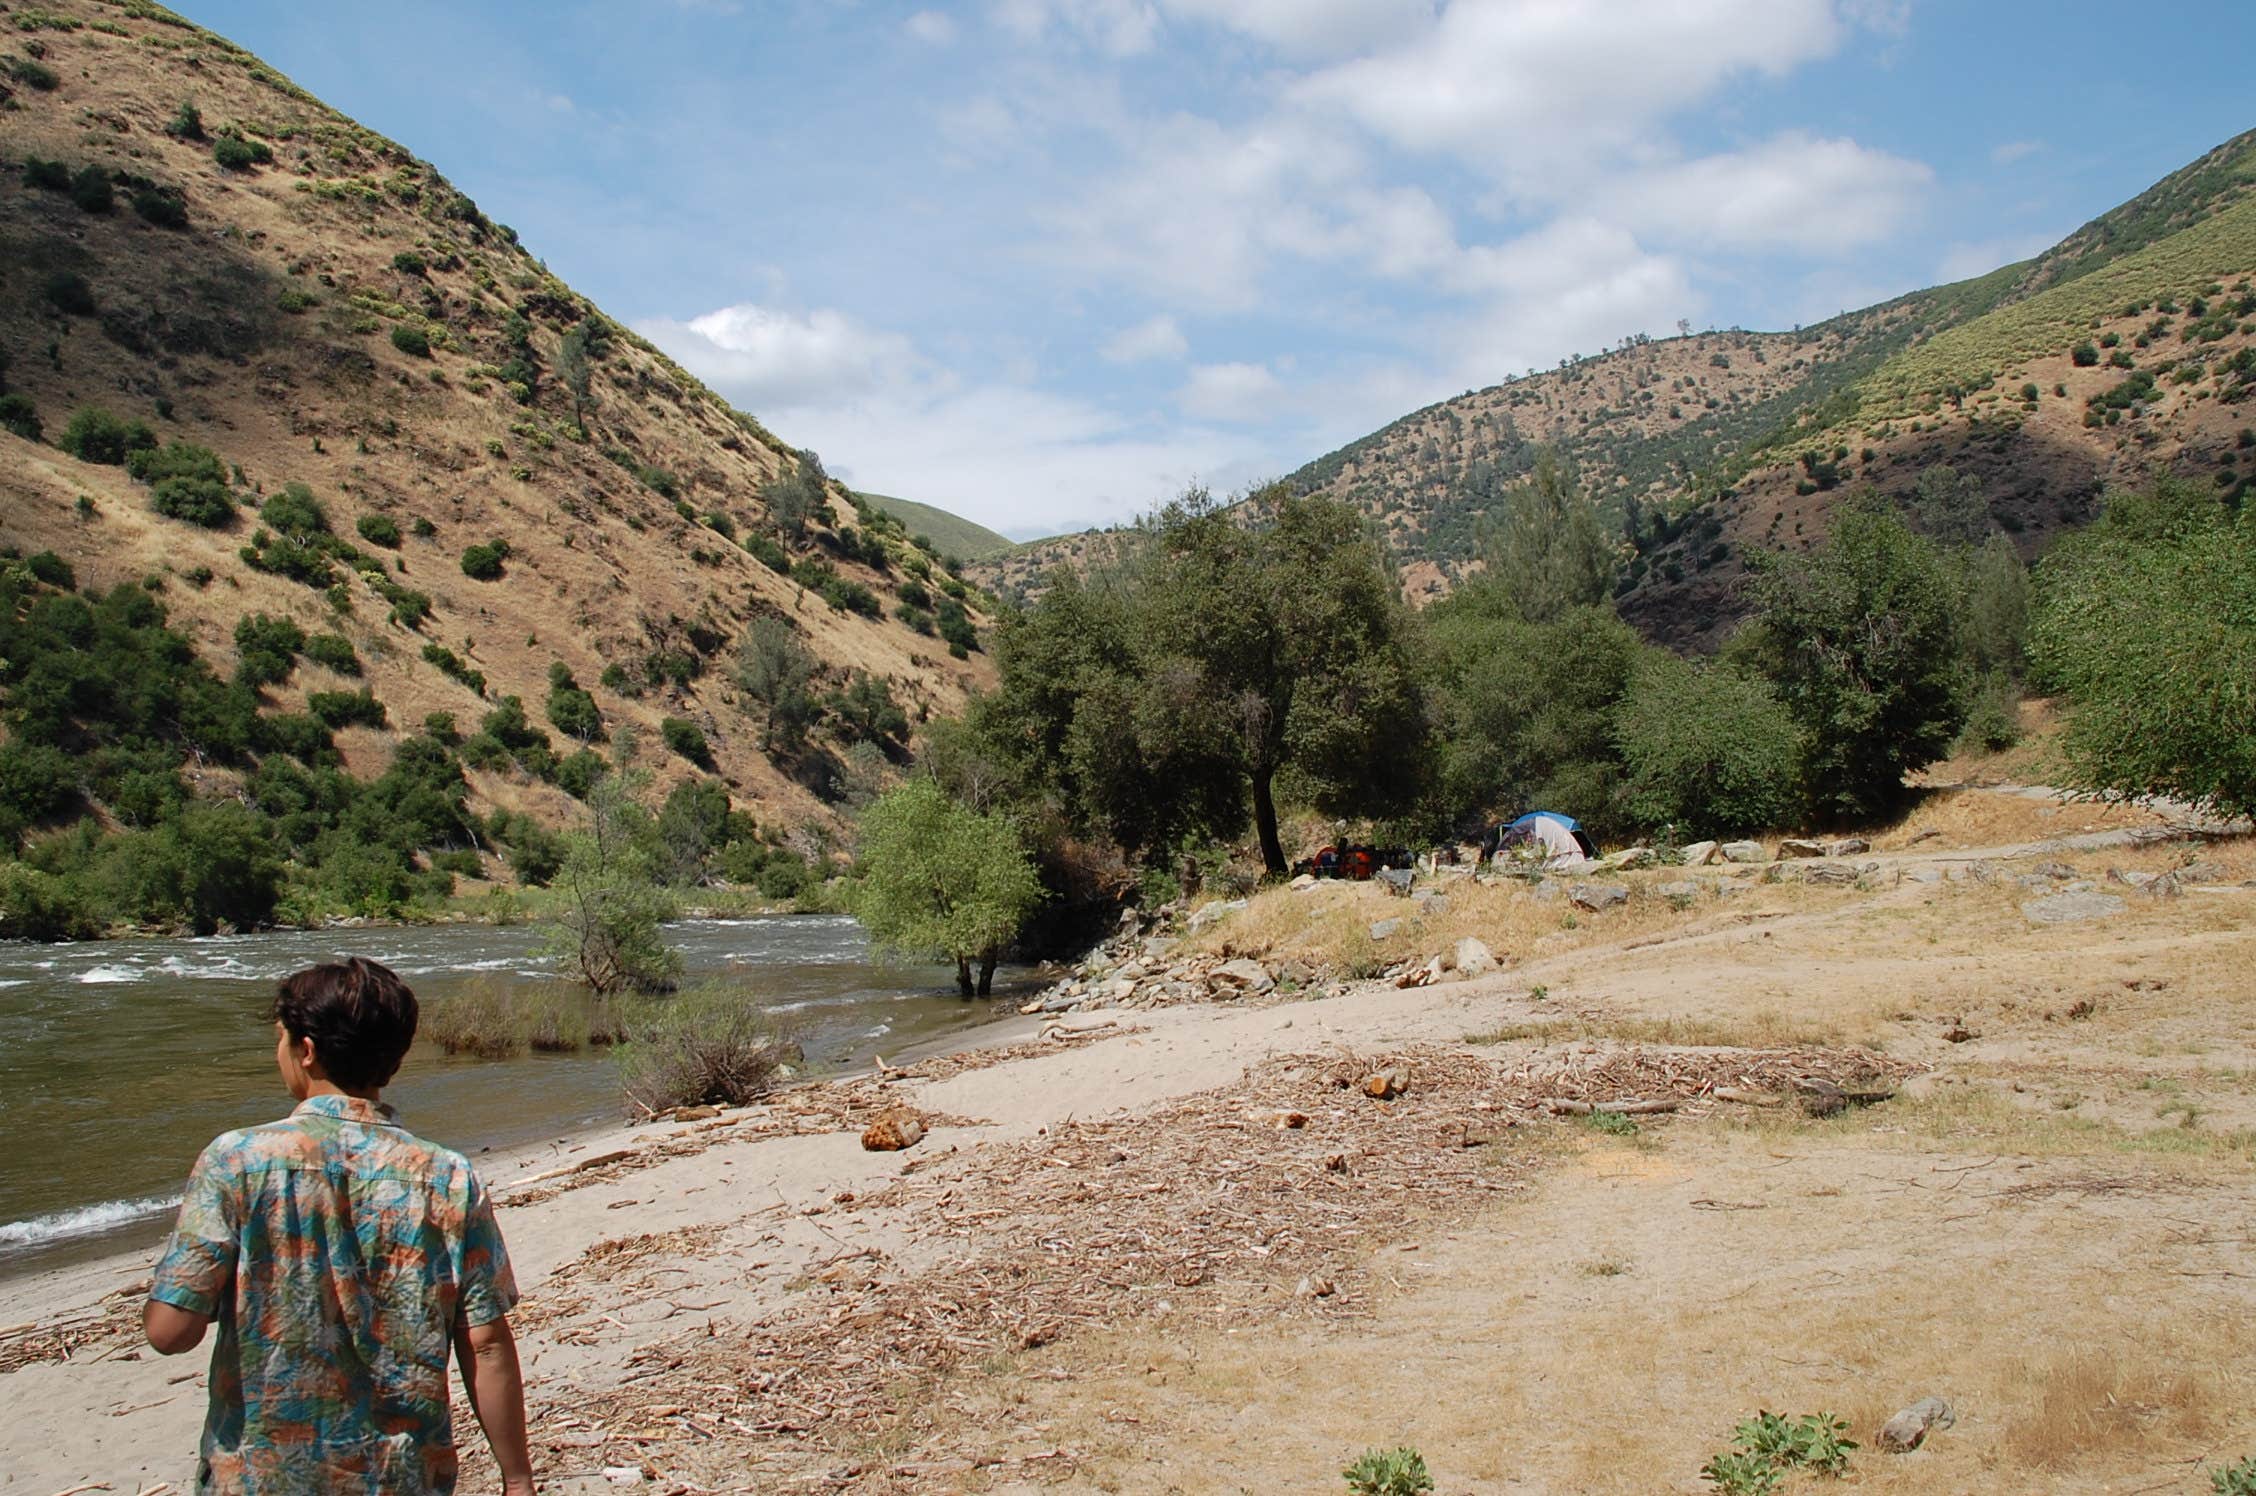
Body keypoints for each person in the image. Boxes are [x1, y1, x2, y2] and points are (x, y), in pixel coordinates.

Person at [143, 957, 536, 1494]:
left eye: (281, 1038)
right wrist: (517, 1480)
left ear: (306, 1051)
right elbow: (486, 1343)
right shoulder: (447, 1177)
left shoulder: (235, 1161)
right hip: (401, 1475)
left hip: (263, 1475)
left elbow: (170, 1331)